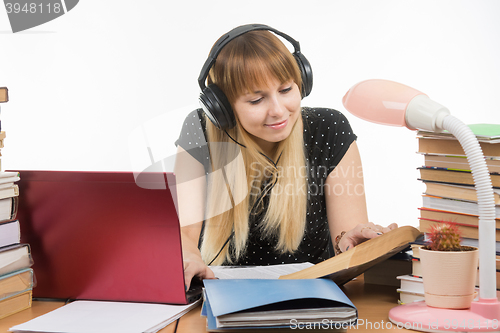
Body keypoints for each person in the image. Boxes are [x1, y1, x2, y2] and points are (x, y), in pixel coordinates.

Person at [174, 24, 397, 289]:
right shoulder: (200, 130)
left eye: (285, 90)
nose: (279, 111)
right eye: (256, 100)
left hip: (313, 297)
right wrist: (186, 254)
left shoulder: (329, 129)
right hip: (220, 295)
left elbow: (345, 239)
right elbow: (184, 232)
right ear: (222, 108)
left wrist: (351, 241)